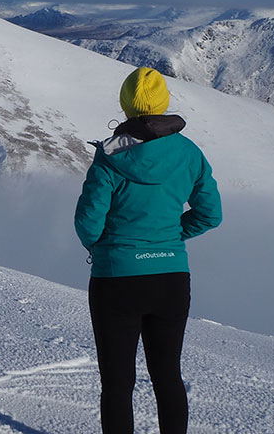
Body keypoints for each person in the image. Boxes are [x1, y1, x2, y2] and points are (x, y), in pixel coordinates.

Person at [74, 67, 223, 434]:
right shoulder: (190, 153)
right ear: (163, 103)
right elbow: (210, 215)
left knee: (117, 384)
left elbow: (88, 222)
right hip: (171, 279)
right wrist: (170, 238)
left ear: (125, 105)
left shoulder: (110, 156)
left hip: (117, 280)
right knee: (168, 377)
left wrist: (109, 248)